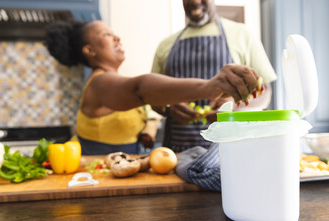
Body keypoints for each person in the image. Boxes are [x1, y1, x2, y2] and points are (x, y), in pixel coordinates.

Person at [45, 19, 261, 155]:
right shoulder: (100, 83)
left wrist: (164, 113)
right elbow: (141, 89)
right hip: (97, 175)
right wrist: (209, 86)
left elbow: (140, 103)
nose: (117, 37)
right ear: (89, 51)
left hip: (122, 165)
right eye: (107, 35)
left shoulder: (110, 80)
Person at [152, 0, 277, 152]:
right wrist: (168, 108)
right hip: (176, 152)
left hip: (230, 150)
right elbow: (152, 96)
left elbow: (265, 93)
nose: (195, 1)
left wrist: (233, 108)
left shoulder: (243, 35)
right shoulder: (166, 44)